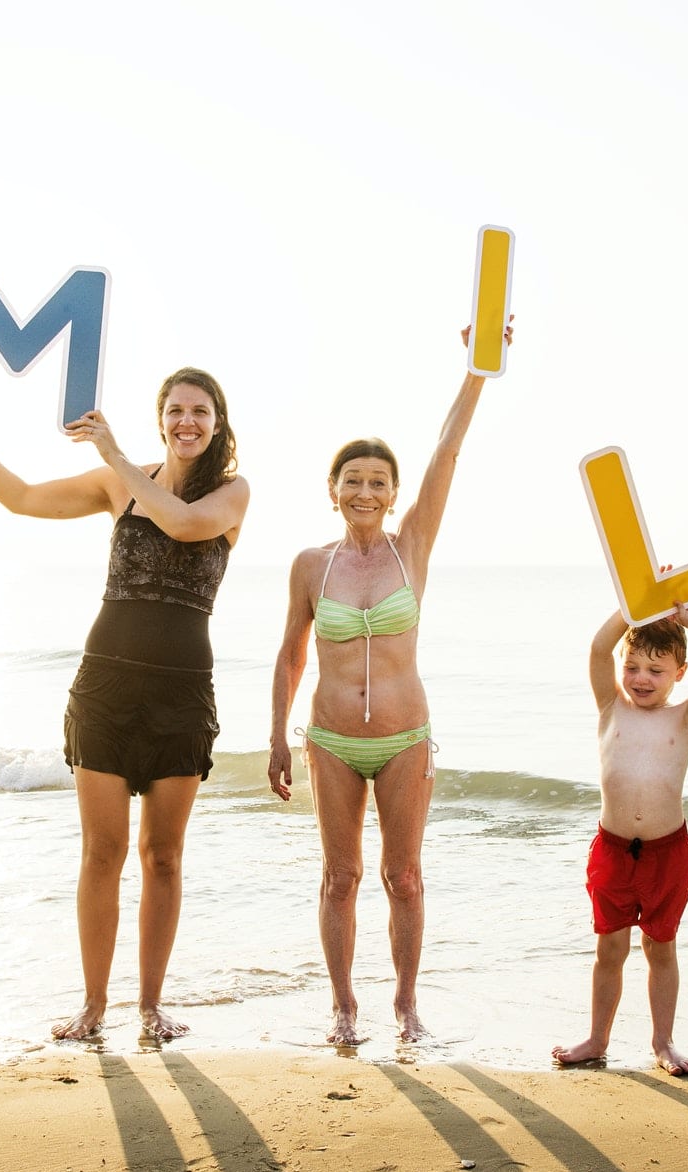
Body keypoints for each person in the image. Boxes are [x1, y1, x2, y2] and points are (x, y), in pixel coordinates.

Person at [0, 369, 249, 1040]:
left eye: (200, 411)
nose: (187, 420)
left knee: (163, 855)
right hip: (105, 685)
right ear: (162, 418)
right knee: (102, 851)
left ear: (216, 424)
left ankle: (151, 1006)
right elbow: (19, 497)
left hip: (181, 691)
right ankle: (95, 1005)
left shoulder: (231, 493)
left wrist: (117, 455)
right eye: (176, 409)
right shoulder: (117, 485)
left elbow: (185, 524)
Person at [268, 327, 504, 1044]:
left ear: (393, 492)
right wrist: (277, 734)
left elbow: (447, 449)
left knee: (404, 876)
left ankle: (406, 1005)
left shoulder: (412, 547)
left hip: (406, 738)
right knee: (340, 877)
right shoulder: (311, 565)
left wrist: (476, 371)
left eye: (378, 481)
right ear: (333, 491)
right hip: (332, 740)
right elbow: (289, 654)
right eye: (353, 479)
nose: (365, 489)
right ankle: (343, 1005)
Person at [551, 608, 688, 1076]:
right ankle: (598, 1039)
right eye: (632, 667)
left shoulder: (687, 717)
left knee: (661, 948)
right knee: (609, 951)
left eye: (656, 670)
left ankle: (663, 1042)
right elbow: (599, 647)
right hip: (613, 852)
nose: (641, 678)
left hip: (668, 854)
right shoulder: (610, 707)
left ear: (679, 673)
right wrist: (631, 608)